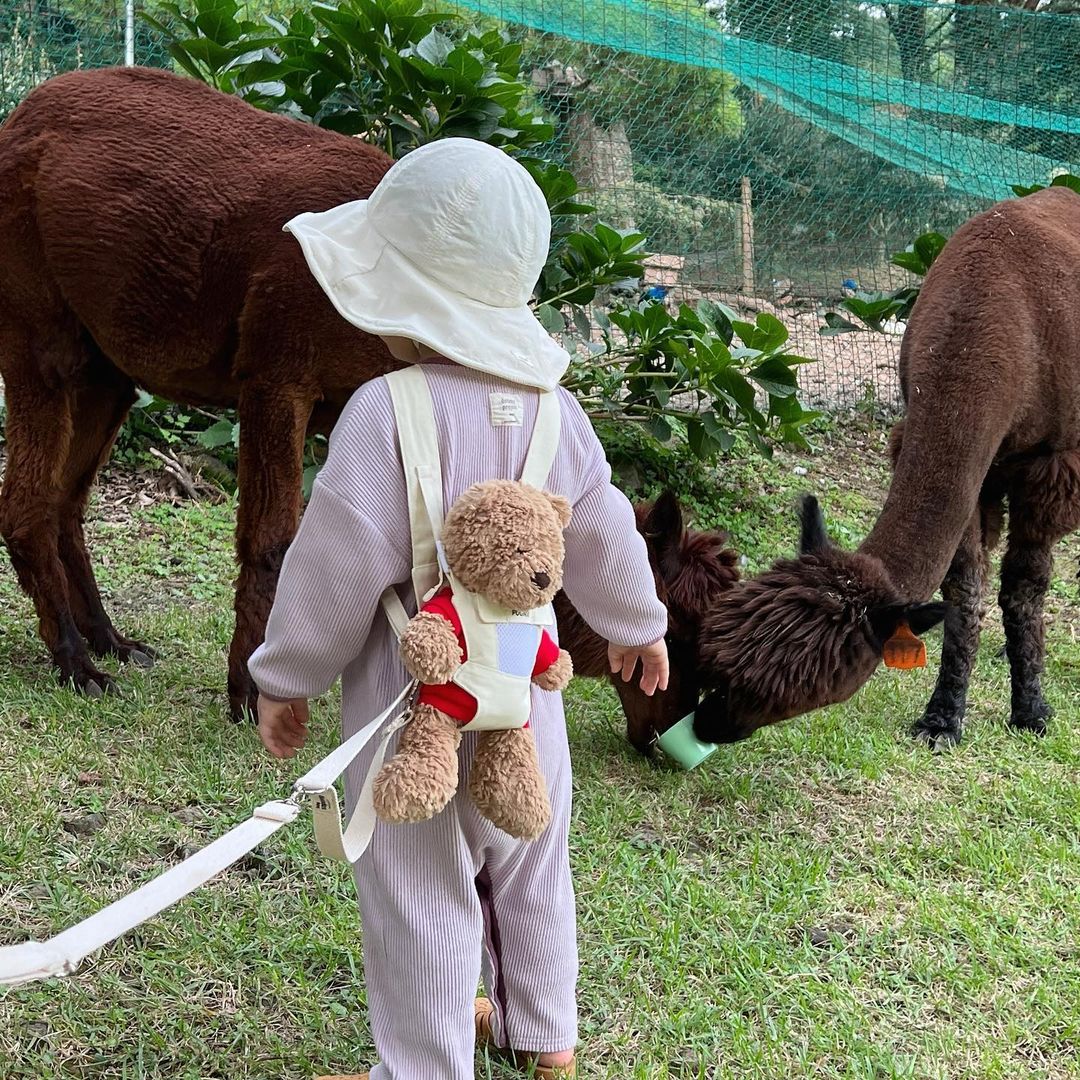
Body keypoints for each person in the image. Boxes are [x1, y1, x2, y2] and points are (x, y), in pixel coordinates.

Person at [248, 137, 669, 1080]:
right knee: (531, 866)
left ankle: (425, 1067)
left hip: (411, 714)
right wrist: (639, 624)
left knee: (419, 892)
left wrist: (287, 676)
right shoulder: (561, 412)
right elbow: (602, 531)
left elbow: (334, 564)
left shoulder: (380, 412)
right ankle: (543, 1035)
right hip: (528, 704)